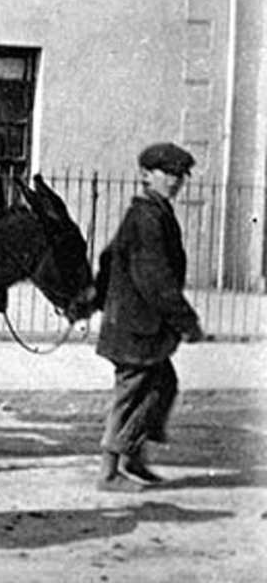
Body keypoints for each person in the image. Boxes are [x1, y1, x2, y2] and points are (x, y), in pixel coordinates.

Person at [94, 142, 205, 492]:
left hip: (137, 323)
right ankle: (109, 472)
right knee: (133, 394)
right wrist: (186, 321)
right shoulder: (147, 217)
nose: (174, 181)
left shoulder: (153, 212)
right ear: (145, 175)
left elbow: (109, 257)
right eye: (167, 173)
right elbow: (154, 278)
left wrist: (99, 297)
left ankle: (133, 457)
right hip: (135, 327)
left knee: (162, 386)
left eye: (180, 175)